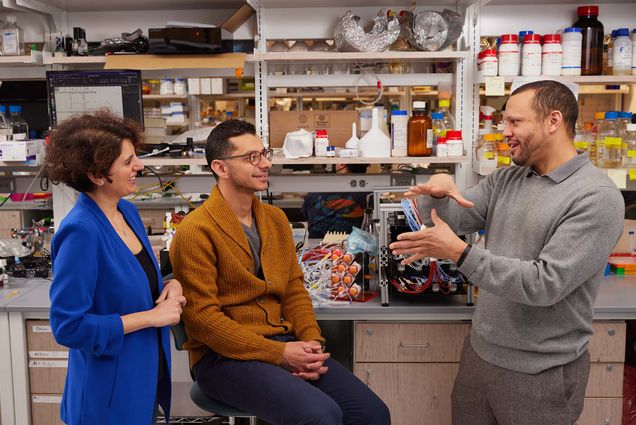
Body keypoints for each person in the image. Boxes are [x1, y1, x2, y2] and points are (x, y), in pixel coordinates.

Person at [389, 80, 624, 425]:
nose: (505, 131)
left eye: (515, 122)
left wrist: (460, 253)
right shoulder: (508, 179)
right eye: (504, 122)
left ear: (553, 121)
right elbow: (457, 220)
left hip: (541, 371)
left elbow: (545, 284)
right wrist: (437, 194)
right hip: (481, 355)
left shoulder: (595, 198)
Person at [170, 119, 390, 425]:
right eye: (252, 158)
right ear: (221, 168)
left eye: (264, 153)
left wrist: (312, 344)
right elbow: (204, 322)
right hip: (222, 358)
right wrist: (279, 354)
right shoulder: (196, 231)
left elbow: (294, 291)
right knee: (320, 416)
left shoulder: (274, 220)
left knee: (372, 414)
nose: (266, 164)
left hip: (282, 343)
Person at [46, 111, 186, 425]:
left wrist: (171, 284)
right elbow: (68, 327)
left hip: (143, 377)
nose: (139, 166)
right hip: (107, 397)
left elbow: (138, 282)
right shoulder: (81, 232)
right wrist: (151, 317)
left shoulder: (127, 211)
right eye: (127, 161)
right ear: (97, 175)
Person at [301, 163, 370, 239]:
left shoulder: (317, 190)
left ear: (342, 164)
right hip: (356, 247)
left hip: (317, 249)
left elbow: (308, 217)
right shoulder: (368, 193)